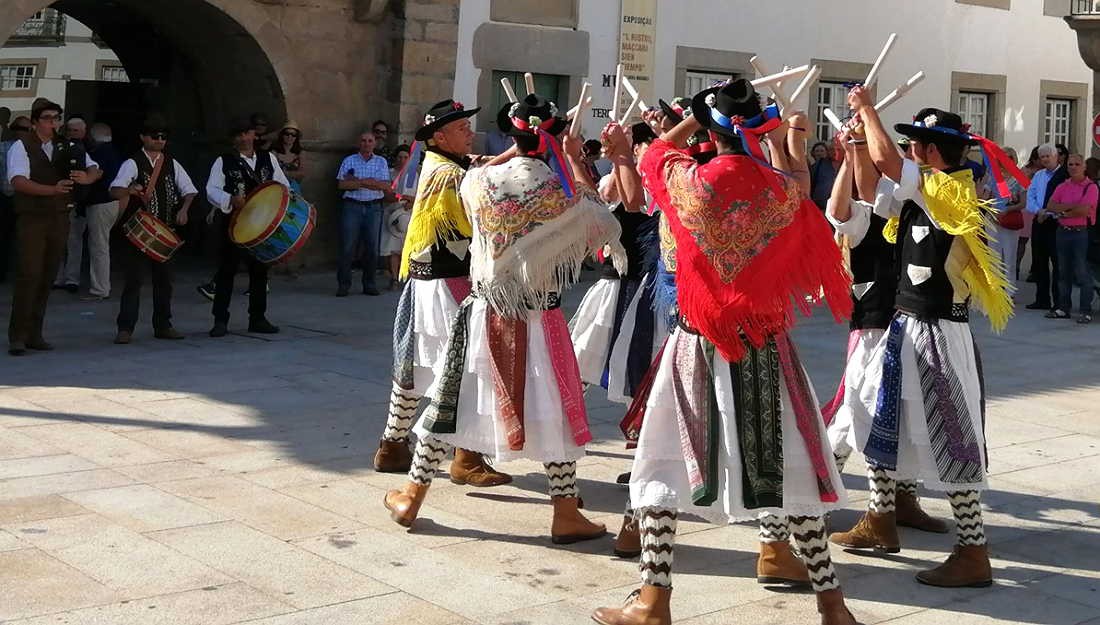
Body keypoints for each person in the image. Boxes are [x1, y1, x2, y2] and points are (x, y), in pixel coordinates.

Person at [592, 79, 857, 625]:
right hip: (766, 344)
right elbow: (804, 202)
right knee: (793, 474)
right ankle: (832, 603)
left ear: (710, 130)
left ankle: (654, 601)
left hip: (697, 341)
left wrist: (691, 118)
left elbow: (654, 159)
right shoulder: (781, 191)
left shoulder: (688, 181)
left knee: (660, 467)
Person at [385, 93, 624, 545]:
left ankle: (413, 494)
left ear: (511, 136)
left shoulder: (479, 182)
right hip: (538, 315)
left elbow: (480, 173)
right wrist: (572, 159)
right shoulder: (556, 190)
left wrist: (530, 145)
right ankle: (565, 511)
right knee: (552, 406)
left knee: (449, 400)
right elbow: (600, 221)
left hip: (483, 310)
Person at [841, 89, 1023, 589]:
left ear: (931, 149)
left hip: (939, 331)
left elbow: (885, 161)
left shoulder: (953, 192)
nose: (908, 149)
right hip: (909, 324)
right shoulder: (926, 191)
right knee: (886, 422)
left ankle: (972, 550)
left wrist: (866, 111)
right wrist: (857, 143)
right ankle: (880, 519)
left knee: (953, 441)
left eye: (915, 142)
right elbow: (872, 187)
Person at [822, 127, 951, 554]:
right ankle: (819, 501)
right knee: (854, 416)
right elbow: (838, 209)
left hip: (906, 326)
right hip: (873, 328)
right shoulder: (867, 215)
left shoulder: (912, 206)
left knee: (902, 416)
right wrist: (849, 152)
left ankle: (901, 501)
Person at [371, 98, 511, 487]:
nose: (470, 131)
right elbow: (481, 189)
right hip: (445, 285)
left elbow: (482, 165)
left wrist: (522, 148)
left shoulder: (445, 164)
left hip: (432, 282)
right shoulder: (446, 174)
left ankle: (393, 445)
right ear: (439, 136)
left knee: (416, 369)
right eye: (462, 127)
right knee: (465, 367)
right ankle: (465, 456)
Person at [7, 100, 102, 356]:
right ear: (36, 121)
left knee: (48, 274)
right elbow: (18, 181)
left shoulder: (67, 145)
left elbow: (94, 166)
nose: (53, 123)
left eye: (57, 118)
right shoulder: (22, 146)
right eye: (48, 118)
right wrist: (52, 190)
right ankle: (18, 335)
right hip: (32, 217)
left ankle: (35, 333)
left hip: (59, 216)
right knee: (29, 274)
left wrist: (88, 176)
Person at [110, 115, 198, 343]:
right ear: (143, 137)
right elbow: (115, 189)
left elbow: (190, 190)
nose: (159, 140)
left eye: (163, 137)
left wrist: (184, 209)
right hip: (138, 231)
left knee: (165, 281)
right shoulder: (133, 162)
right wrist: (130, 190)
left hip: (165, 228)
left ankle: (163, 325)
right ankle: (125, 328)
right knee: (134, 280)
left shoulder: (171, 162)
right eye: (155, 136)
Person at [205, 117, 290, 337]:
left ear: (254, 135)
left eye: (247, 133)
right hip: (234, 225)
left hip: (263, 226)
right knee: (226, 272)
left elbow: (283, 184)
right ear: (234, 140)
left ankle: (258, 318)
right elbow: (211, 189)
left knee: (260, 272)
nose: (244, 138)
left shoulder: (267, 158)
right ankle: (220, 320)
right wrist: (230, 199)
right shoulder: (223, 161)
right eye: (239, 135)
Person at [336, 131, 393, 296]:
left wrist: (356, 181)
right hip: (352, 206)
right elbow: (342, 185)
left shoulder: (381, 162)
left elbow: (385, 186)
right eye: (363, 140)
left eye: (370, 141)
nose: (366, 143)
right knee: (347, 247)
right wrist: (368, 182)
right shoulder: (349, 160)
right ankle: (343, 285)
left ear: (374, 143)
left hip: (373, 208)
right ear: (358, 143)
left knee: (372, 248)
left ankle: (369, 284)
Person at [1045, 154, 1097, 323]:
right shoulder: (1062, 186)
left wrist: (1063, 211)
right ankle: (1063, 308)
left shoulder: (1091, 187)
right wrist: (1072, 208)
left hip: (1081, 233)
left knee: (1082, 273)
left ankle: (1085, 311)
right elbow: (1051, 206)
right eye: (1070, 164)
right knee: (1063, 272)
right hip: (1063, 232)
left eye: (1077, 164)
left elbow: (1084, 211)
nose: (1073, 167)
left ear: (1084, 167)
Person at [53, 115, 95, 293]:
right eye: (70, 130)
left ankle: (71, 279)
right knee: (58, 241)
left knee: (74, 241)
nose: (73, 134)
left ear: (84, 132)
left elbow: (95, 170)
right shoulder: (58, 147)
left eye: (76, 131)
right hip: (57, 200)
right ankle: (57, 277)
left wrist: (87, 179)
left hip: (77, 201)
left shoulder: (88, 150)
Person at [1025, 143, 1068, 311]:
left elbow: (1066, 200)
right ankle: (1042, 299)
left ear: (1056, 157)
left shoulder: (1064, 175)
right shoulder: (1038, 175)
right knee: (1040, 262)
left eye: (1047, 156)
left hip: (1056, 222)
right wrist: (1039, 210)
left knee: (1058, 264)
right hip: (1040, 221)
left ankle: (1059, 301)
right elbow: (1031, 196)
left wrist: (1049, 212)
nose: (1045, 159)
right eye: (1042, 157)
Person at [982, 146, 1025, 287]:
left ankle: (1009, 289)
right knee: (994, 256)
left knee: (1010, 256)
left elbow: (1023, 203)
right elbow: (985, 198)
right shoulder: (992, 176)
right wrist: (991, 210)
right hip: (993, 220)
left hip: (1010, 220)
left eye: (1009, 157)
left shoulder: (1019, 177)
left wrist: (1008, 209)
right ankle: (995, 288)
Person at [0, 117, 31, 283]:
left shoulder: (34, 150)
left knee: (25, 237)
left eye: (26, 129)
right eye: (20, 128)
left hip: (26, 198)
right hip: (5, 199)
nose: (23, 132)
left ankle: (22, 273)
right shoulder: (3, 147)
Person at [381, 144, 414, 289]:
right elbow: (385, 194)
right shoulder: (389, 174)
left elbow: (420, 194)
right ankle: (394, 278)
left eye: (405, 157)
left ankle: (406, 278)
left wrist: (411, 202)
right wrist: (401, 198)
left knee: (407, 249)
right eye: (400, 157)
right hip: (392, 214)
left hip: (409, 214)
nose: (402, 160)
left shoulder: (414, 175)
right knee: (393, 249)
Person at [810, 136, 841, 210]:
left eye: (838, 149)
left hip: (840, 206)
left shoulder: (847, 164)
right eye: (831, 149)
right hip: (821, 207)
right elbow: (812, 183)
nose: (834, 152)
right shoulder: (820, 164)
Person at [273, 121, 305, 194]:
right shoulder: (274, 153)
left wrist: (284, 173)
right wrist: (293, 174)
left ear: (296, 137)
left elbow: (302, 174)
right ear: (282, 135)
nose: (289, 137)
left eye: (293, 135)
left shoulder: (300, 153)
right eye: (287, 134)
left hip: (294, 188)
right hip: (278, 189)